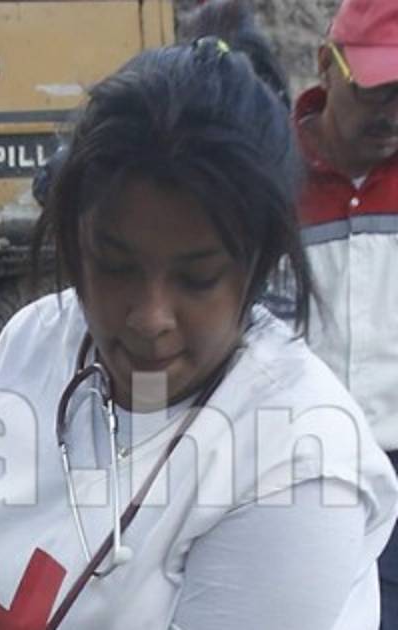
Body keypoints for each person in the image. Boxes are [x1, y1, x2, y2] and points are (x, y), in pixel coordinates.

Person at [0, 39, 398, 629]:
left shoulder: (298, 468)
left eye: (197, 279)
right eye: (115, 266)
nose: (150, 318)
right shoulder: (30, 344)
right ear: (73, 242)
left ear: (257, 266)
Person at [294, 1, 398, 626]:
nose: (392, 114)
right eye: (377, 90)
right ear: (326, 67)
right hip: (298, 469)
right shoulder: (265, 176)